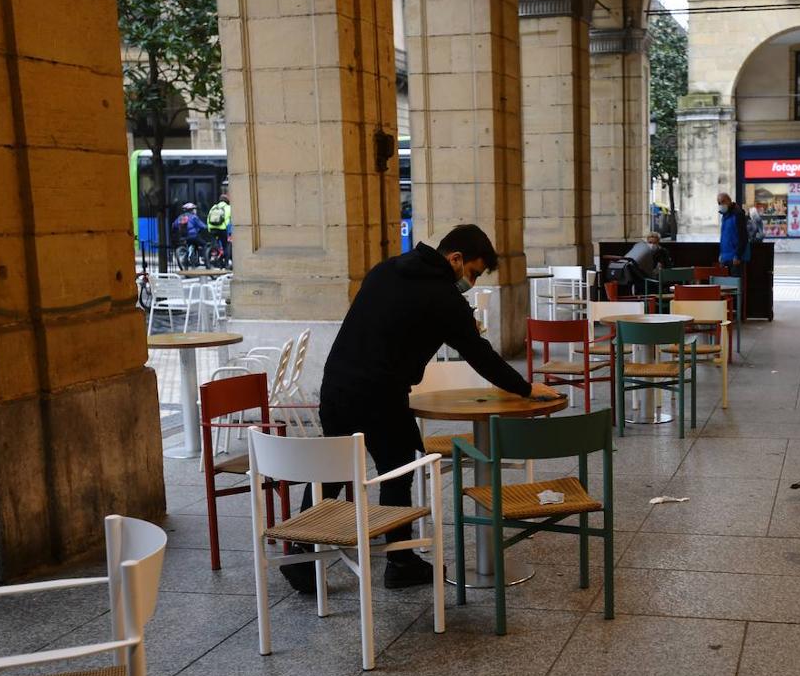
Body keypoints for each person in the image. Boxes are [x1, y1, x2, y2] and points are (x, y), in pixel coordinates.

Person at [280, 224, 561, 593]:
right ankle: (400, 561)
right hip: (380, 393)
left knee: (332, 467)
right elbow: (480, 356)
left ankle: (301, 553)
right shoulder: (444, 298)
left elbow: (391, 322)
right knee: (397, 472)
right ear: (455, 259)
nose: (472, 282)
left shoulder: (386, 269)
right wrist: (525, 387)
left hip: (336, 384)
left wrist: (456, 324)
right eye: (473, 272)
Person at [717, 192, 750, 276]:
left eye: (723, 201)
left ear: (729, 201)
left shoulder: (738, 215)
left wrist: (738, 255)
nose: (721, 205)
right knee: (725, 283)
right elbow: (724, 237)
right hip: (725, 257)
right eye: (719, 203)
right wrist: (721, 255)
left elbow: (743, 237)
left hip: (735, 259)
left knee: (736, 282)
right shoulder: (724, 216)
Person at [207, 190, 232, 262]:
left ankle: (216, 251)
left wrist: (209, 228)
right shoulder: (228, 208)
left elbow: (208, 218)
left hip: (212, 228)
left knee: (214, 242)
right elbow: (231, 219)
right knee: (225, 245)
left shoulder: (214, 207)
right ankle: (226, 263)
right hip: (222, 228)